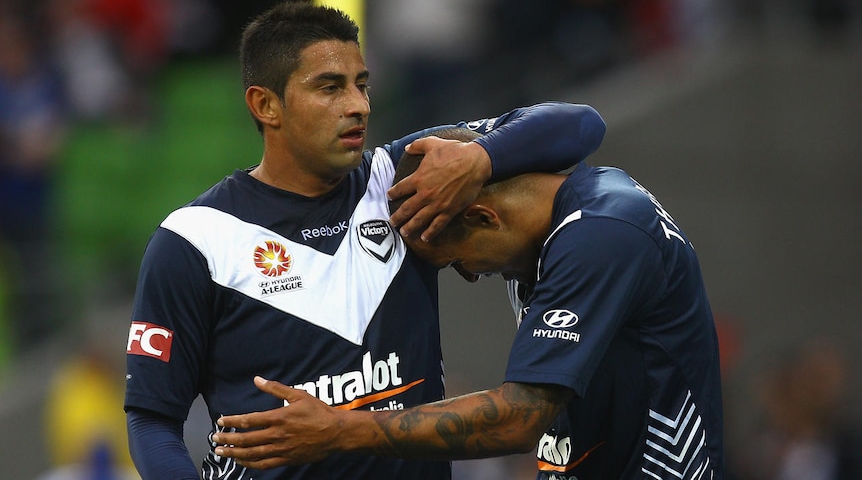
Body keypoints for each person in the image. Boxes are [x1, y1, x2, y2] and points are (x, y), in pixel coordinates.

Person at [123, 1, 607, 480]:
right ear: (265, 104)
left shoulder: (401, 181)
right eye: (329, 87)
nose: (358, 106)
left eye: (362, 85)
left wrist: (482, 158)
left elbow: (582, 124)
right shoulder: (194, 240)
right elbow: (152, 420)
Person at [211, 127, 725, 479]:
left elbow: (520, 418)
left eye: (455, 258)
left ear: (482, 217)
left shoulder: (601, 235)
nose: (470, 276)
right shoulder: (565, 218)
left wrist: (340, 429)